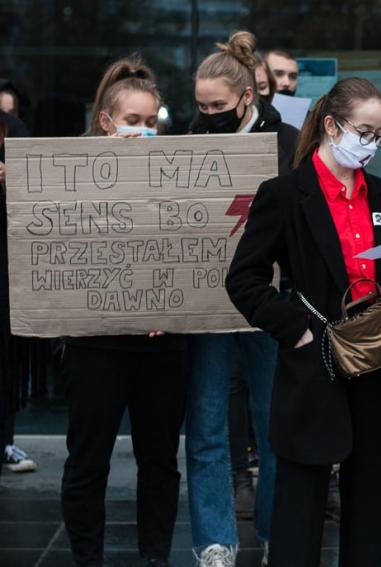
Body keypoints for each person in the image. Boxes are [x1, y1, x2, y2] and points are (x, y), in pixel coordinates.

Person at [226, 76, 381, 566]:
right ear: (331, 125)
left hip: (375, 356)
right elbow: (244, 279)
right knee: (302, 493)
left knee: (367, 493)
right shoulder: (284, 193)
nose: (371, 144)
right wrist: (294, 329)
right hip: (314, 357)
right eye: (365, 131)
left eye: (379, 135)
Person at [60, 55, 188, 567]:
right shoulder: (67, 177)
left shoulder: (180, 174)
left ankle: (155, 557)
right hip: (97, 344)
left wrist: (169, 303)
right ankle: (87, 559)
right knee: (88, 460)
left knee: (159, 461)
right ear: (106, 121)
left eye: (150, 123)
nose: (142, 132)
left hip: (163, 343)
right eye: (131, 122)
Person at [184, 30, 298, 567]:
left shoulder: (289, 141)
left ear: (247, 98)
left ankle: (275, 530)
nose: (207, 115)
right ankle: (214, 542)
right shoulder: (189, 139)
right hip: (206, 301)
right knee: (207, 425)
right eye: (201, 106)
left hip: (269, 302)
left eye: (218, 106)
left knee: (273, 421)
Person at [0, 108, 39, 476]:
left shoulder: (13, 128)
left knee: (6, 359)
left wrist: (12, 179)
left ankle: (4, 439)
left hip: (6, 267)